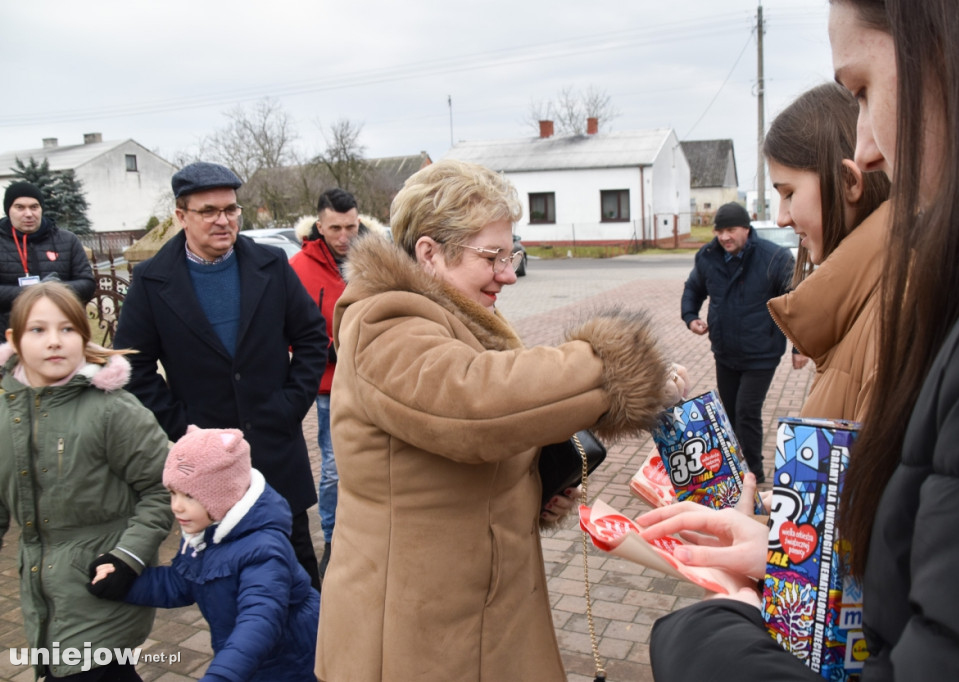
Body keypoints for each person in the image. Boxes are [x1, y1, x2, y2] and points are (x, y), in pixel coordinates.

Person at [641, 0, 959, 678]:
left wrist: (704, 643)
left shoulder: (944, 316)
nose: (868, 146)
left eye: (865, 91)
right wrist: (787, 553)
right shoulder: (918, 296)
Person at [315, 159, 688, 681]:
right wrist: (614, 369)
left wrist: (535, 488)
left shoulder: (458, 315)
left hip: (478, 604)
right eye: (492, 256)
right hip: (411, 629)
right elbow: (476, 406)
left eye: (512, 254)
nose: (509, 273)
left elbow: (471, 449)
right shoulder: (384, 323)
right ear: (430, 254)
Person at [113, 161, 328, 590]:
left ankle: (318, 658)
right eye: (208, 211)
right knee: (226, 584)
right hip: (208, 469)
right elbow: (133, 368)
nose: (223, 220)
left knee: (300, 576)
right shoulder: (153, 281)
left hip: (275, 451)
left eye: (231, 209)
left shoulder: (269, 264)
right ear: (181, 216)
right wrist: (184, 427)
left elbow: (311, 336)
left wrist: (289, 405)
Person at [0, 282, 172, 681]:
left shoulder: (114, 410)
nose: (54, 342)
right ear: (13, 339)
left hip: (102, 586)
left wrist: (127, 557)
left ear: (84, 336)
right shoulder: (7, 413)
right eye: (38, 330)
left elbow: (162, 486)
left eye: (67, 329)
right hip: (43, 593)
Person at [91, 426, 320, 682]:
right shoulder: (204, 536)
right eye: (172, 493)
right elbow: (181, 583)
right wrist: (124, 584)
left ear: (224, 496)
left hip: (287, 663)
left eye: (189, 496)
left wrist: (221, 676)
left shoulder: (264, 550)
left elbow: (258, 623)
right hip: (243, 662)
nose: (176, 506)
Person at [765, 82, 891, 422]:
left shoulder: (889, 323)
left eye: (789, 193)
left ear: (848, 181)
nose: (781, 218)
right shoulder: (867, 303)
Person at [681, 201, 794, 482]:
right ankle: (734, 467)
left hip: (762, 354)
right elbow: (694, 287)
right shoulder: (708, 256)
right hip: (725, 352)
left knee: (746, 412)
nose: (724, 237)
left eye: (730, 230)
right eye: (719, 231)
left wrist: (800, 347)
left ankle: (754, 473)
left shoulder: (774, 258)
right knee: (729, 414)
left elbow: (796, 302)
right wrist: (690, 316)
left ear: (746, 228)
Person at [288, 188, 360, 576]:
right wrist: (324, 349)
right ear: (320, 225)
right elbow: (286, 325)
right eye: (335, 227)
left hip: (370, 378)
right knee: (333, 465)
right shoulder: (298, 266)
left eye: (351, 225)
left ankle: (366, 535)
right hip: (330, 383)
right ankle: (332, 539)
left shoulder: (374, 259)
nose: (344, 235)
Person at [0, 181, 95, 330]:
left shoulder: (67, 240)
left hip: (62, 331)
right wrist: (36, 291)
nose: (29, 214)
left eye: (34, 207)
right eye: (20, 207)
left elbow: (87, 285)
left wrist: (55, 288)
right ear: (8, 210)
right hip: (9, 336)